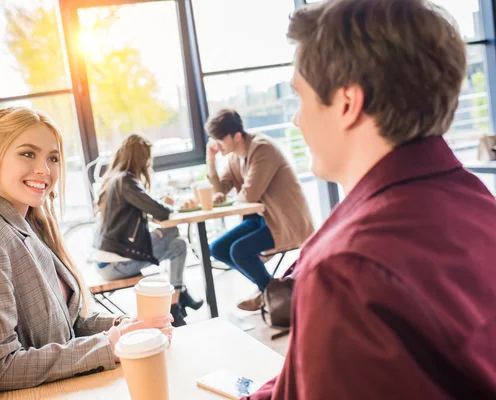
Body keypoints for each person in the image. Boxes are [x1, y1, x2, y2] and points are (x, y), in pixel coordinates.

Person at [249, 1, 496, 398]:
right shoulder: (479, 206)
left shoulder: (347, 271)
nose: (296, 120)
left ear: (346, 104)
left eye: (301, 97)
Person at [0, 107, 173, 393]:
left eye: (53, 158)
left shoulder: (27, 224)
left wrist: (126, 325)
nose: (44, 170)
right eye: (28, 153)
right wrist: (109, 345)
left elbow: (69, 323)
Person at [205, 108, 314, 311]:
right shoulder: (233, 158)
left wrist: (231, 199)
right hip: (259, 220)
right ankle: (270, 290)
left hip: (283, 221)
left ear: (236, 136)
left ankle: (274, 294)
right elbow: (220, 190)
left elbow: (250, 194)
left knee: (239, 251)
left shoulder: (262, 149)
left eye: (220, 141)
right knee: (217, 249)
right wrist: (210, 161)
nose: (217, 147)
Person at [93, 133, 203, 327]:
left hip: (108, 261)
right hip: (116, 265)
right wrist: (167, 204)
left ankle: (177, 300)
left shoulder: (114, 179)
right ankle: (177, 299)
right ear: (141, 159)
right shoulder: (126, 181)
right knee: (174, 239)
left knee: (178, 243)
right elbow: (161, 212)